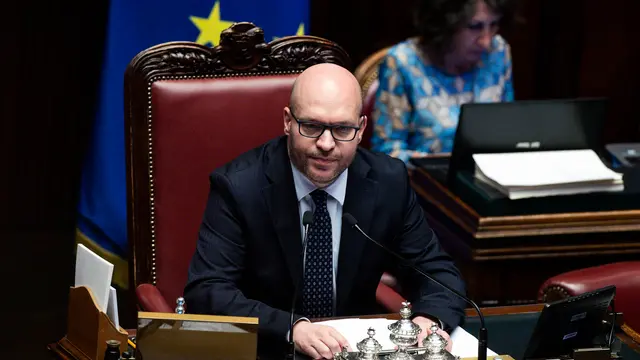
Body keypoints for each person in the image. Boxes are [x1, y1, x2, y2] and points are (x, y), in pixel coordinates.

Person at [183, 63, 466, 359]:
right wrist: (292, 328)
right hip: (269, 349)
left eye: (342, 129)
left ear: (361, 129)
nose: (326, 144)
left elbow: (438, 273)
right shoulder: (240, 187)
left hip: (356, 351)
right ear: (288, 122)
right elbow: (207, 290)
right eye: (312, 126)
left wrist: (430, 321)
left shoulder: (387, 183)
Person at [370, 0, 517, 163]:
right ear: (445, 25)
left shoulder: (498, 51)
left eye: (494, 25)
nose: (486, 40)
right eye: (475, 27)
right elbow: (386, 152)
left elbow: (507, 134)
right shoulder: (402, 62)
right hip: (424, 183)